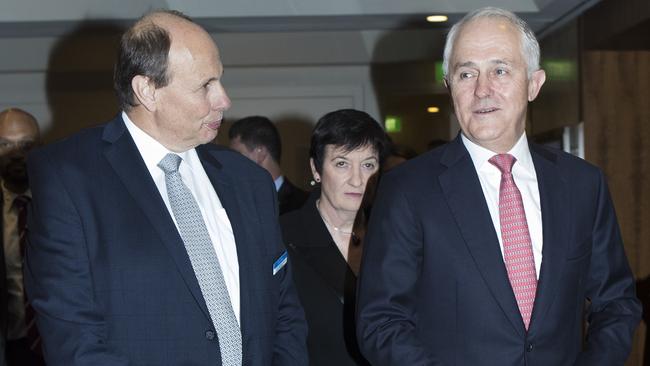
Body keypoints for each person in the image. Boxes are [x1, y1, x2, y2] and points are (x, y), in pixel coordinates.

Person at [356, 7, 641, 366]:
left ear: (534, 84)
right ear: (449, 87)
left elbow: (616, 303)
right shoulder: (407, 189)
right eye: (466, 73)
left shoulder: (583, 184)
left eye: (500, 70)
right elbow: (381, 322)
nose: (481, 89)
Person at [24, 10, 307, 365]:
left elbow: (284, 315)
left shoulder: (248, 180)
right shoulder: (68, 178)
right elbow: (75, 340)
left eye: (219, 81)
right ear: (147, 91)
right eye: (205, 85)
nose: (224, 99)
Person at [281, 109, 388, 366]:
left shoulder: (396, 235)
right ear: (316, 169)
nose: (357, 179)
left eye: (368, 165)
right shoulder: (280, 237)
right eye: (342, 163)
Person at [0, 108, 43, 366]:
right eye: (4, 144)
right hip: (7, 344)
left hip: (56, 342)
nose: (15, 154)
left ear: (41, 146)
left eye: (25, 145)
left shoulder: (64, 200)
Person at [228, 116, 309, 215]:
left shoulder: (305, 205)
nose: (231, 163)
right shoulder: (233, 203)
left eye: (237, 155)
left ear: (260, 153)